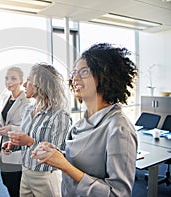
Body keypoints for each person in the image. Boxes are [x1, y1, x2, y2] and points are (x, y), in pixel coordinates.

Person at [32, 43, 138, 197]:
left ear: (105, 75)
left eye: (84, 72)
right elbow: (83, 161)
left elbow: (118, 194)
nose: (75, 78)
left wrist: (65, 166)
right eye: (74, 72)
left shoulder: (119, 128)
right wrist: (57, 154)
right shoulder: (81, 124)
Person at [2, 63, 72, 197]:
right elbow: (26, 141)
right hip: (26, 173)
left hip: (45, 177)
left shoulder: (59, 115)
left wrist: (29, 142)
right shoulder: (29, 110)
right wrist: (15, 145)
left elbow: (60, 154)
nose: (24, 85)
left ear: (40, 84)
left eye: (28, 81)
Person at [0, 67, 29, 197]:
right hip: (4, 147)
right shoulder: (5, 98)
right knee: (7, 181)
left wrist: (10, 129)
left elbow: (27, 128)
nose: (9, 81)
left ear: (21, 81)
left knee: (16, 186)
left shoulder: (27, 102)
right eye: (7, 78)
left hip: (18, 149)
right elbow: (5, 121)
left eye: (13, 78)